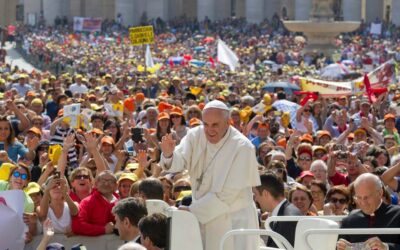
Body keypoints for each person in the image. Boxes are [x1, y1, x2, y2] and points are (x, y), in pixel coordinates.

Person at [159, 100, 260, 250]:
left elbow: (228, 194)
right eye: (205, 124)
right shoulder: (195, 135)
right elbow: (179, 161)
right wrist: (168, 154)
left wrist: (195, 211)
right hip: (203, 216)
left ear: (227, 123)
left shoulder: (242, 147)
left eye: (215, 125)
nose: (209, 130)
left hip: (233, 220)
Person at [336, 173, 400, 250]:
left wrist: (387, 247)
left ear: (380, 193)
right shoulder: (350, 220)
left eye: (367, 197)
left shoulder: (397, 214)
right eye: (359, 197)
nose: (363, 202)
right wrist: (340, 247)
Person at [253, 172, 302, 247]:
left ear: (266, 193)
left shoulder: (288, 220)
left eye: (255, 194)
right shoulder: (284, 214)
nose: (255, 200)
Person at [71, 170, 118, 236]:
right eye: (103, 181)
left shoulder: (121, 203)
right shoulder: (87, 202)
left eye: (110, 181)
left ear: (116, 185)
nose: (106, 184)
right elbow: (78, 226)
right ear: (96, 184)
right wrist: (103, 229)